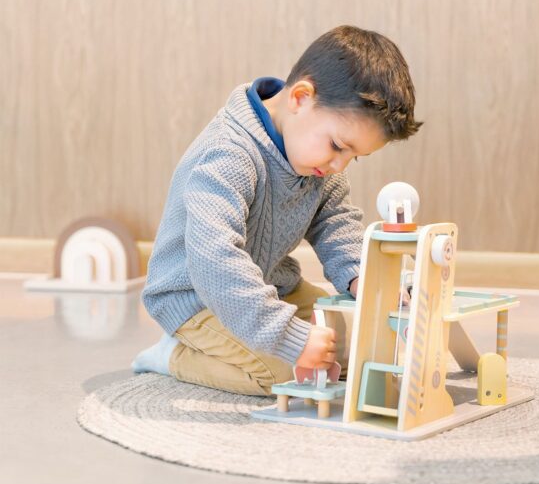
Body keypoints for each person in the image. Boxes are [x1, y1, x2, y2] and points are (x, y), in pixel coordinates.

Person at [132, 25, 422, 396]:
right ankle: (173, 354)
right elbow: (215, 260)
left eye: (355, 157)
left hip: (268, 287)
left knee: (359, 343)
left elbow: (334, 220)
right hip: (196, 299)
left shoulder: (316, 162)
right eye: (337, 146)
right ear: (300, 97)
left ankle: (269, 335)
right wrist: (290, 338)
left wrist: (357, 275)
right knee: (286, 373)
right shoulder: (230, 154)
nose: (340, 165)